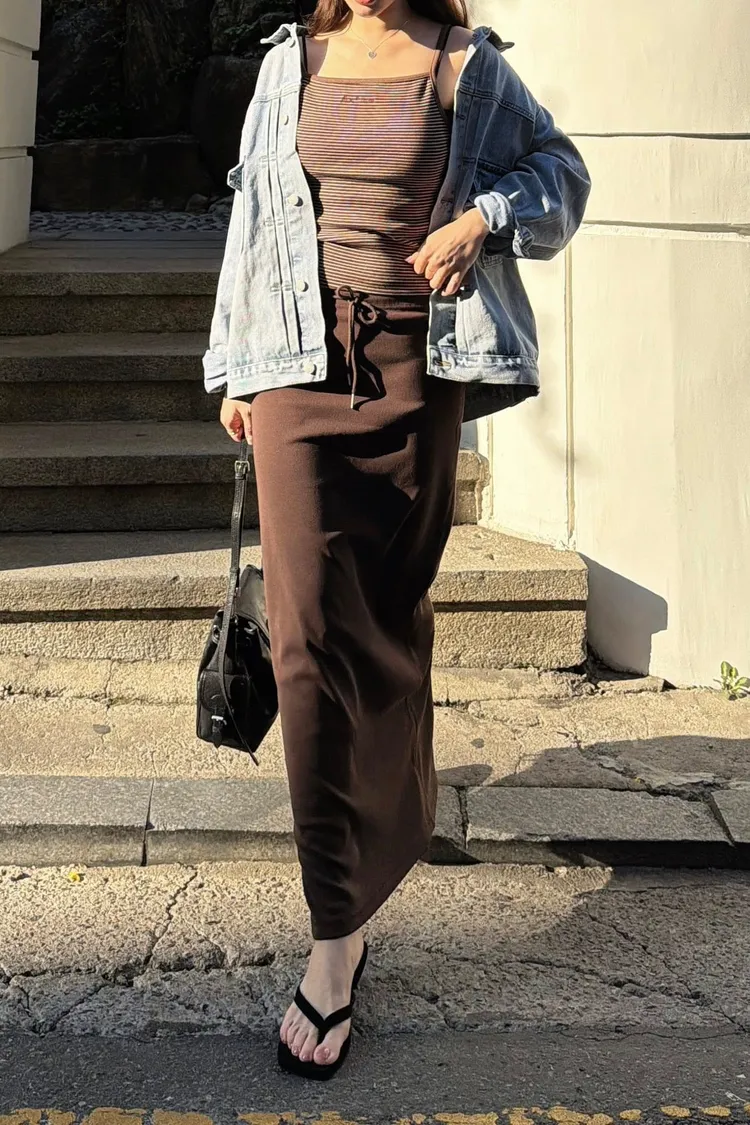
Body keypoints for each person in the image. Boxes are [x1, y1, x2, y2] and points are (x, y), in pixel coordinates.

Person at [203, 0, 590, 1079]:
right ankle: (336, 931)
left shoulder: (465, 66)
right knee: (304, 642)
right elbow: (253, 214)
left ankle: (395, 824)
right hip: (297, 365)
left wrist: (484, 219)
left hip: (420, 374)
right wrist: (233, 366)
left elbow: (562, 176)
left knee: (385, 626)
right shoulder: (291, 62)